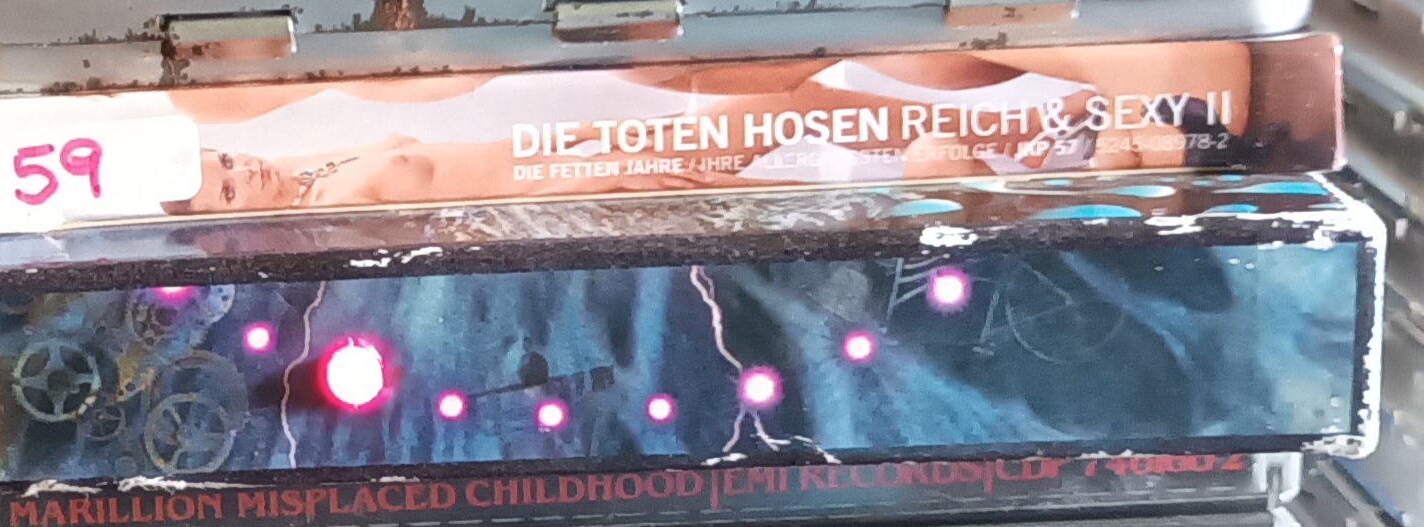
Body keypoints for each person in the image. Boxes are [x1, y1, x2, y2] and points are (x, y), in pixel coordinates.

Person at [161, 43, 1253, 216]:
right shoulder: (331, 210)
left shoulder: (307, 163)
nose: (237, 167)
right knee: (793, 108)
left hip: (606, 154)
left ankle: (1037, 131)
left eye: (222, 161)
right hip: (610, 178)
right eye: (223, 183)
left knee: (795, 100)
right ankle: (1038, 145)